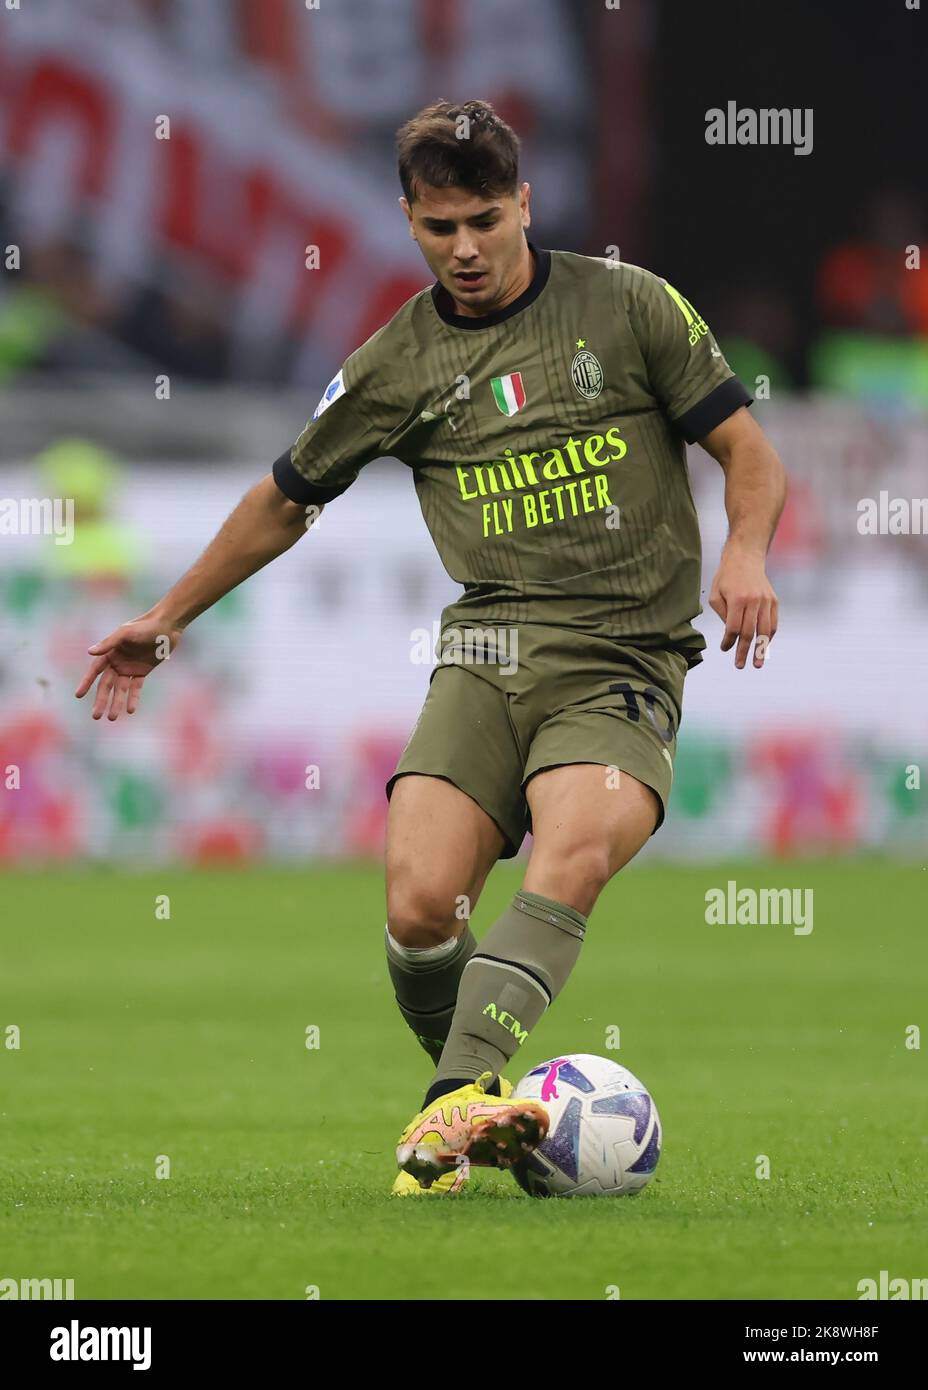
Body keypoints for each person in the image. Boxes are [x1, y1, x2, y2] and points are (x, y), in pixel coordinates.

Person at [76, 100, 786, 1195]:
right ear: (409, 219)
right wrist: (167, 618)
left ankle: (438, 1121)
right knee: (418, 909)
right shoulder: (395, 361)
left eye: (485, 221)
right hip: (486, 650)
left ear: (525, 206)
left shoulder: (628, 304)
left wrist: (746, 549)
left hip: (622, 657)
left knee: (575, 849)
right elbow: (285, 498)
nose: (464, 248)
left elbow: (748, 450)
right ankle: (478, 1100)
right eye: (439, 225)